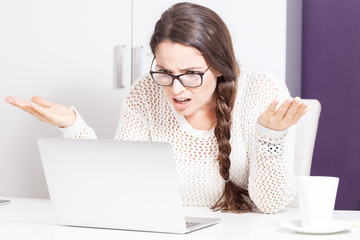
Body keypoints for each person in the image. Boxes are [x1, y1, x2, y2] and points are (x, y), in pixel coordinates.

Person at [5, 2, 310, 214]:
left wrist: (269, 135)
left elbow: (270, 204)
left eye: (191, 74)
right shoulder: (146, 92)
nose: (176, 89)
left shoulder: (261, 91)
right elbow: (119, 185)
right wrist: (74, 127)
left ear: (219, 67)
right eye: (164, 72)